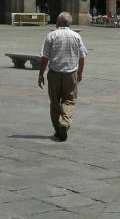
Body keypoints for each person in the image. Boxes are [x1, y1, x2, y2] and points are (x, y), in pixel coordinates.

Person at [37, 12, 87, 141]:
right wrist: (80, 73)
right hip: (71, 73)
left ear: (59, 22)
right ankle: (64, 123)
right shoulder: (76, 36)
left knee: (54, 103)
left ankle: (57, 129)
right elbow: (81, 57)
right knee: (69, 100)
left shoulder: (51, 35)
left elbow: (45, 58)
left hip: (54, 73)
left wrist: (41, 74)